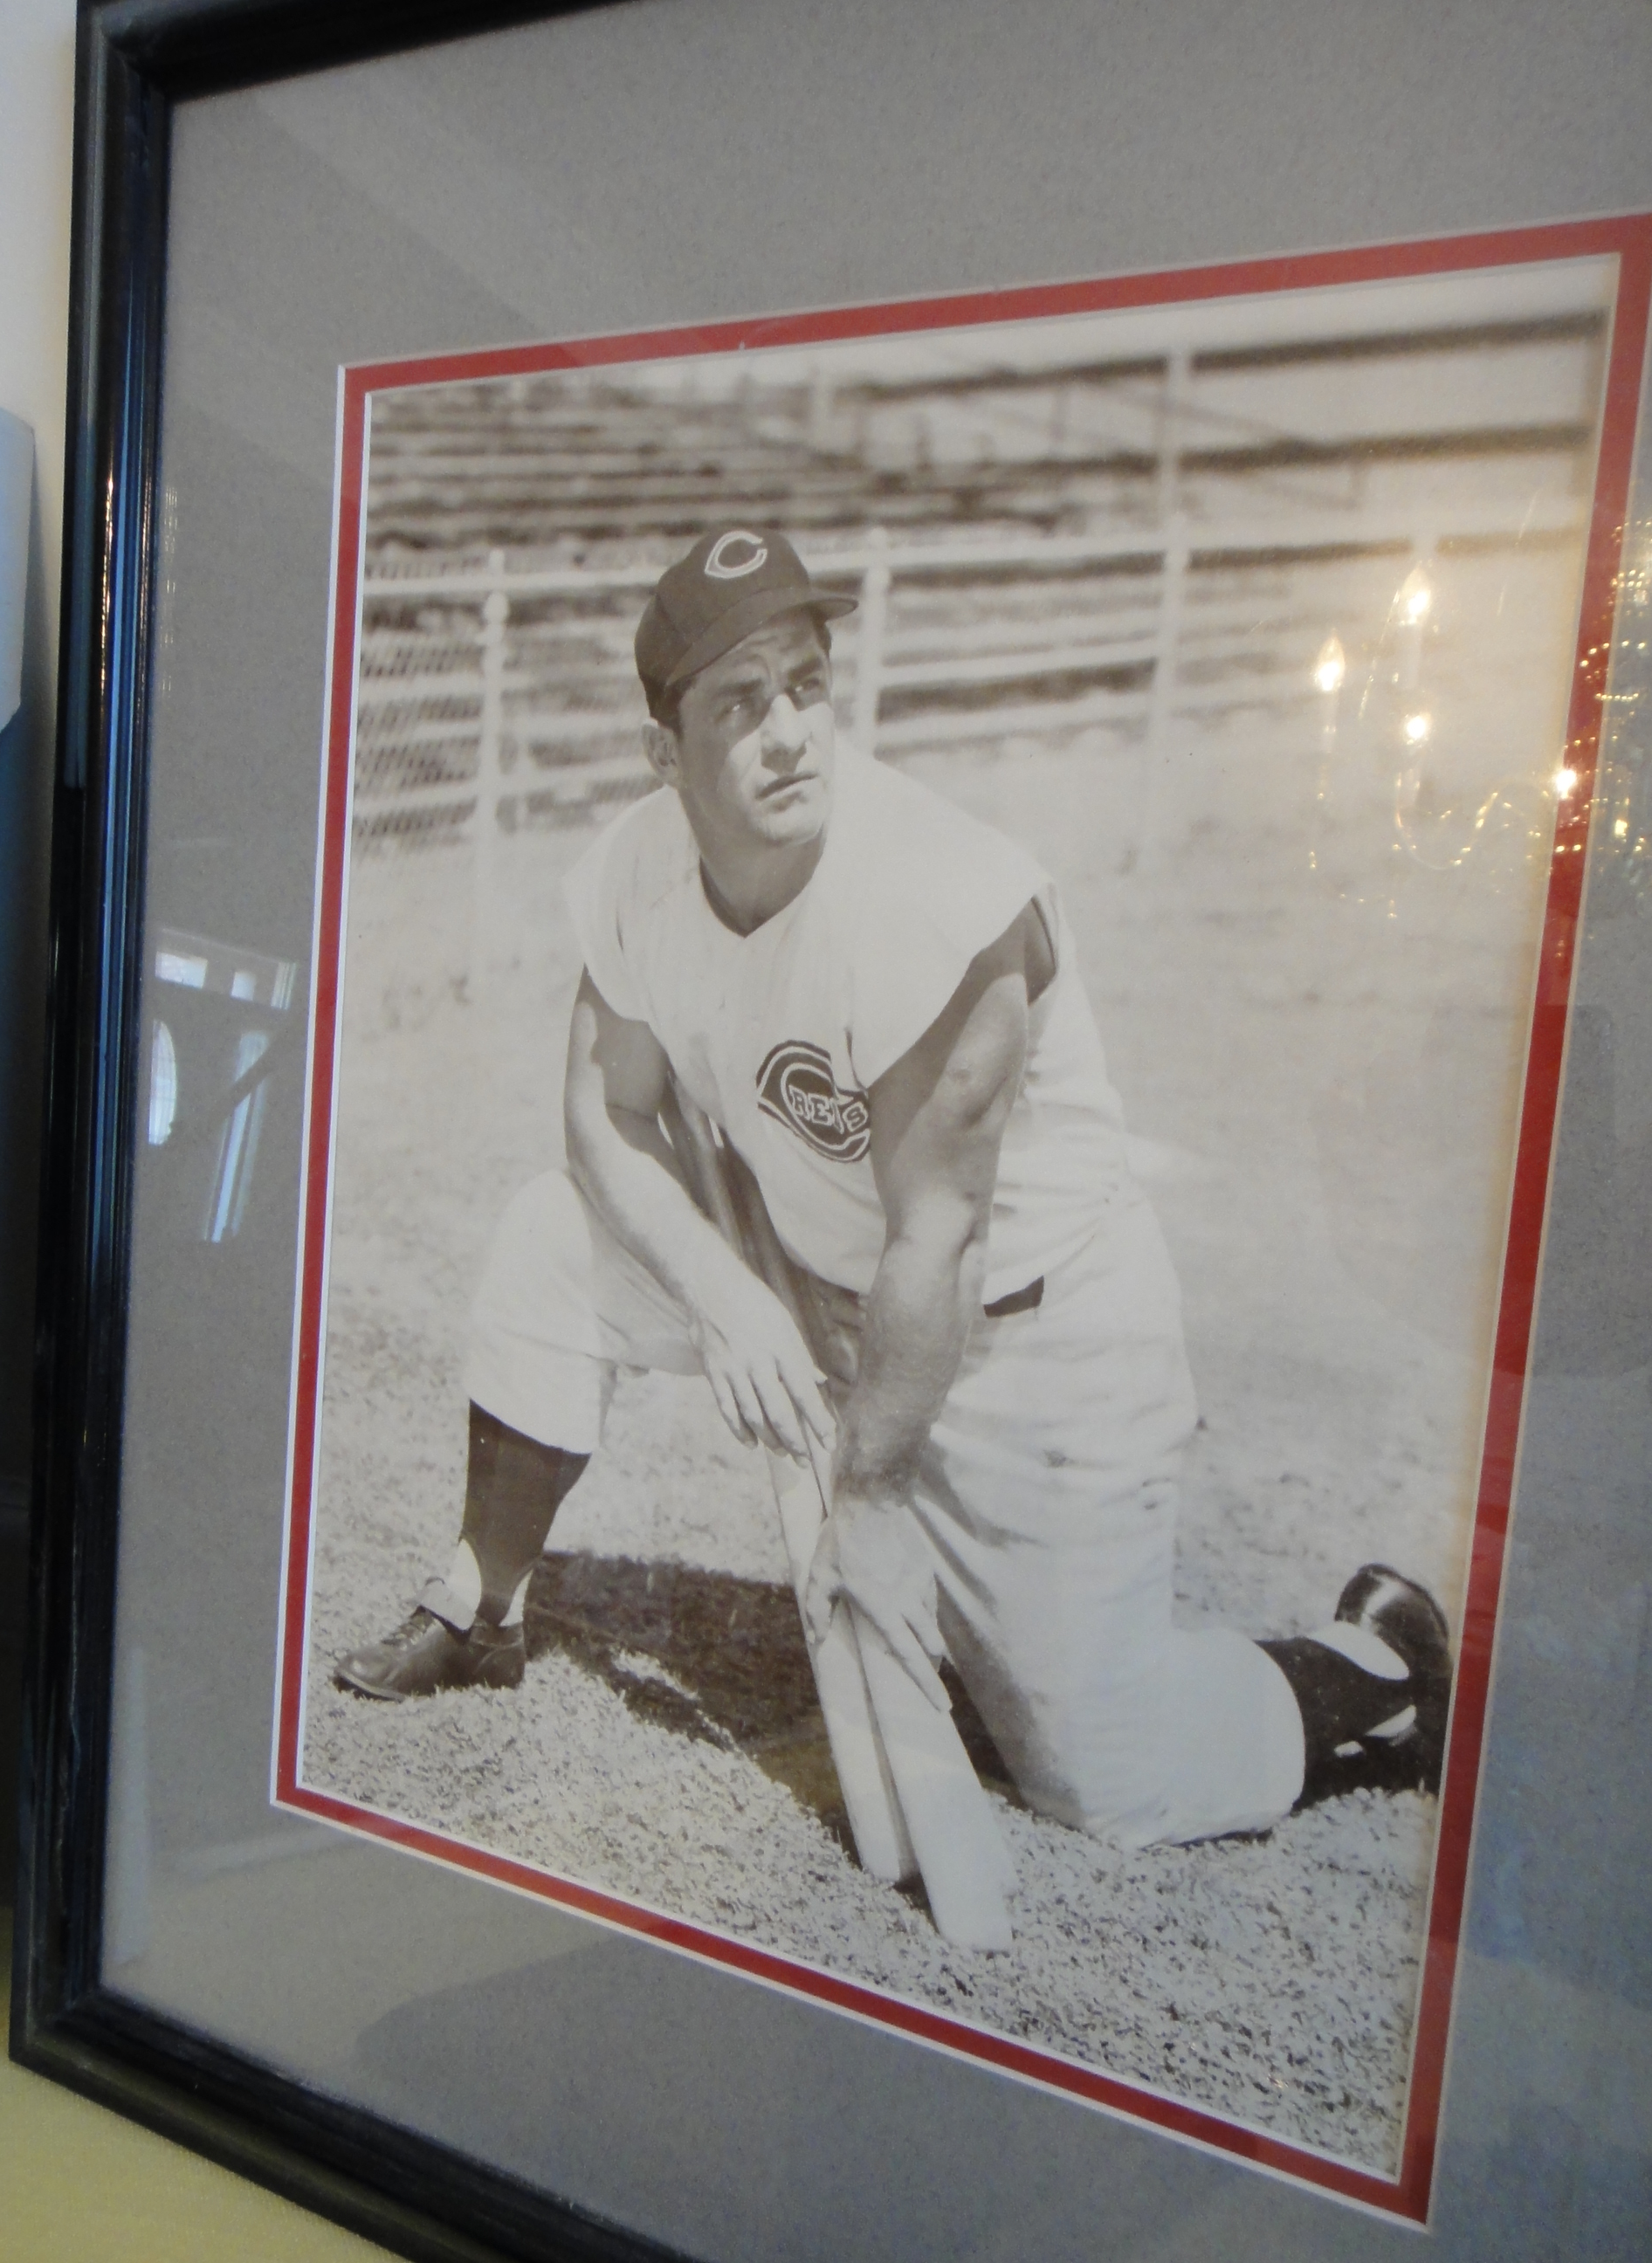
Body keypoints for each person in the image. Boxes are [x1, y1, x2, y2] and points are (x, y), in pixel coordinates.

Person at [334, 526, 1452, 1849]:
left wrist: (865, 1499)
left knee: (1103, 1771)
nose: (790, 732)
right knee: (548, 1237)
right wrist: (724, 1296)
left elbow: (944, 1240)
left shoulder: (938, 898)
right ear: (664, 753)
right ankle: (481, 1606)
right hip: (809, 1272)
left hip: (1025, 1343)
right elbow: (601, 1110)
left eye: (806, 684)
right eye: (740, 704)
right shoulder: (642, 862)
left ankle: (1374, 1664)